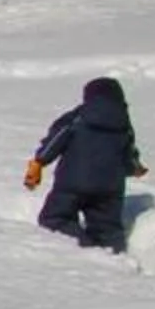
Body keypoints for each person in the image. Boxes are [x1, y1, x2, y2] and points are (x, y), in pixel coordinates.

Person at [24, 76, 143, 253]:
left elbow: (56, 140)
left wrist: (39, 162)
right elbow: (129, 154)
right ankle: (113, 256)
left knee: (56, 219)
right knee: (107, 228)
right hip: (110, 188)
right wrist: (135, 168)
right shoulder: (124, 124)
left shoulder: (78, 117)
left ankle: (82, 247)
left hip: (73, 183)